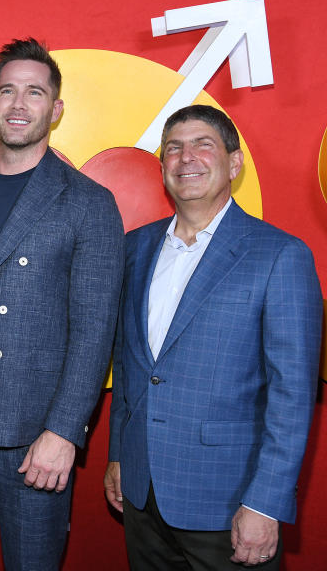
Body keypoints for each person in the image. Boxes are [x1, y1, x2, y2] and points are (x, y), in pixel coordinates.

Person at [0, 38, 125, 570]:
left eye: (34, 92)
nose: (19, 103)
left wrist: (63, 432)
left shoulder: (89, 202)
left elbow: (94, 331)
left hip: (34, 440)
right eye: (7, 90)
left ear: (55, 109)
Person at [104, 105, 322, 570]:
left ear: (234, 163)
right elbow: (129, 364)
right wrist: (121, 455)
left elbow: (292, 395)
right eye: (174, 148)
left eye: (203, 145)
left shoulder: (280, 255)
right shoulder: (135, 247)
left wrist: (265, 504)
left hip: (229, 503)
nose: (187, 159)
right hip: (143, 499)